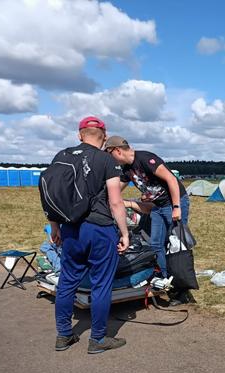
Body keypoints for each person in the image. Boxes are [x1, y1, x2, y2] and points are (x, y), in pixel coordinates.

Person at [51, 117, 129, 354]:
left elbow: (53, 195)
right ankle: (98, 339)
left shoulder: (61, 156)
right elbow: (115, 201)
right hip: (99, 228)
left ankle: (64, 335)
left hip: (70, 228)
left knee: (67, 281)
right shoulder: (106, 160)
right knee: (101, 284)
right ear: (104, 136)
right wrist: (124, 233)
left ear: (79, 134)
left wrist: (55, 227)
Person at [103, 136, 191, 306]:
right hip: (158, 206)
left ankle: (182, 290)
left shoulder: (145, 159)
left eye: (109, 154)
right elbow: (114, 191)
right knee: (156, 244)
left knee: (175, 244)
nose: (110, 159)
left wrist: (176, 207)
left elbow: (172, 180)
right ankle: (164, 280)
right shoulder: (126, 169)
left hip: (175, 202)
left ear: (117, 151)